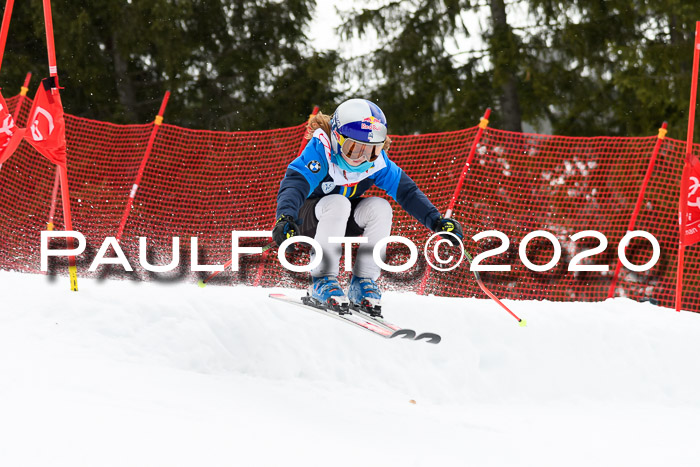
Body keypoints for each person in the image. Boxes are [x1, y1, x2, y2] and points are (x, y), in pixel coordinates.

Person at [272, 98, 463, 316]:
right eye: (353, 149)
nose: (362, 159)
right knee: (338, 202)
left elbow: (407, 192)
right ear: (337, 138)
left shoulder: (377, 163)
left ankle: (362, 282)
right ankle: (321, 279)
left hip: (342, 218)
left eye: (370, 150)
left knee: (380, 207)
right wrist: (285, 217)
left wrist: (436, 221)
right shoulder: (321, 151)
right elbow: (295, 184)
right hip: (308, 218)